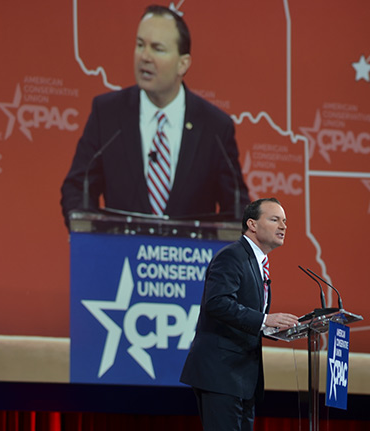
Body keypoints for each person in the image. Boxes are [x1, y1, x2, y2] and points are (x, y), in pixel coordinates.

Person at [60, 5, 249, 227]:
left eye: (157, 49)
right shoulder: (108, 114)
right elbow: (77, 189)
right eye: (140, 45)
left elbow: (238, 207)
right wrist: (90, 238)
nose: (145, 57)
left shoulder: (215, 126)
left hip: (189, 259)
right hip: (122, 259)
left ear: (183, 64)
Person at [180, 198, 299, 431]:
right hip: (221, 373)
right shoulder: (232, 256)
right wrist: (265, 320)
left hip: (243, 377)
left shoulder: (257, 262)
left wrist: (274, 329)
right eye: (274, 219)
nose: (283, 226)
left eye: (285, 221)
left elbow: (246, 317)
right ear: (252, 225)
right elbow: (217, 303)